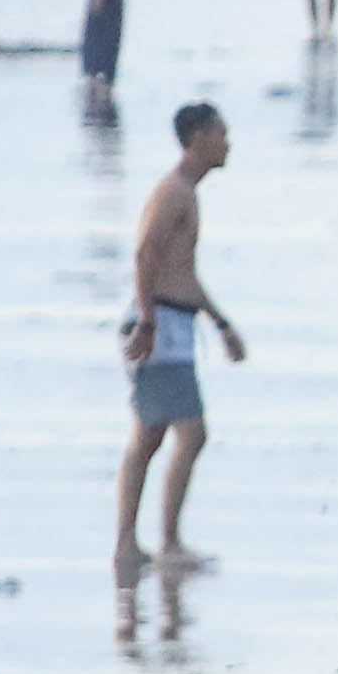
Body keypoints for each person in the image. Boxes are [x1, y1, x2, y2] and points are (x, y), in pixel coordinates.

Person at [116, 100, 243, 578]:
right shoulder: (174, 192)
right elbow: (145, 253)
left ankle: (134, 543)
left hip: (174, 321)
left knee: (151, 435)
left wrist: (220, 323)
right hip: (161, 326)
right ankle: (162, 542)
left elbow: (182, 272)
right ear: (197, 139)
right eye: (221, 135)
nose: (227, 145)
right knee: (189, 432)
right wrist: (147, 321)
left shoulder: (187, 192)